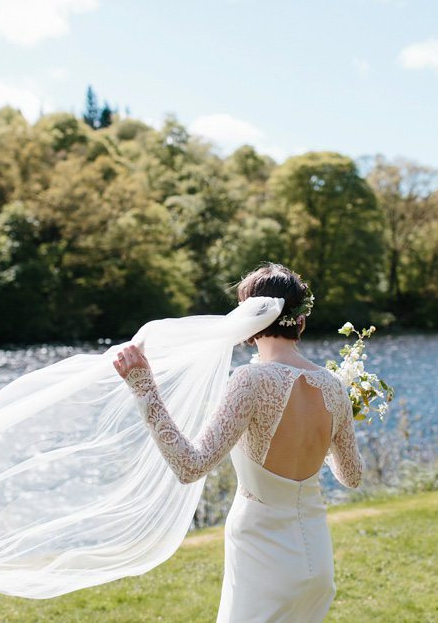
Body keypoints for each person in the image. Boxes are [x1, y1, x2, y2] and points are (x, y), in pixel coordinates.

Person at [113, 263, 364, 622]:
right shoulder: (335, 386)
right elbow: (351, 477)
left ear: (249, 323)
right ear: (301, 321)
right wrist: (328, 429)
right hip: (317, 562)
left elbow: (190, 466)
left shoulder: (251, 380)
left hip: (264, 560)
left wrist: (144, 388)